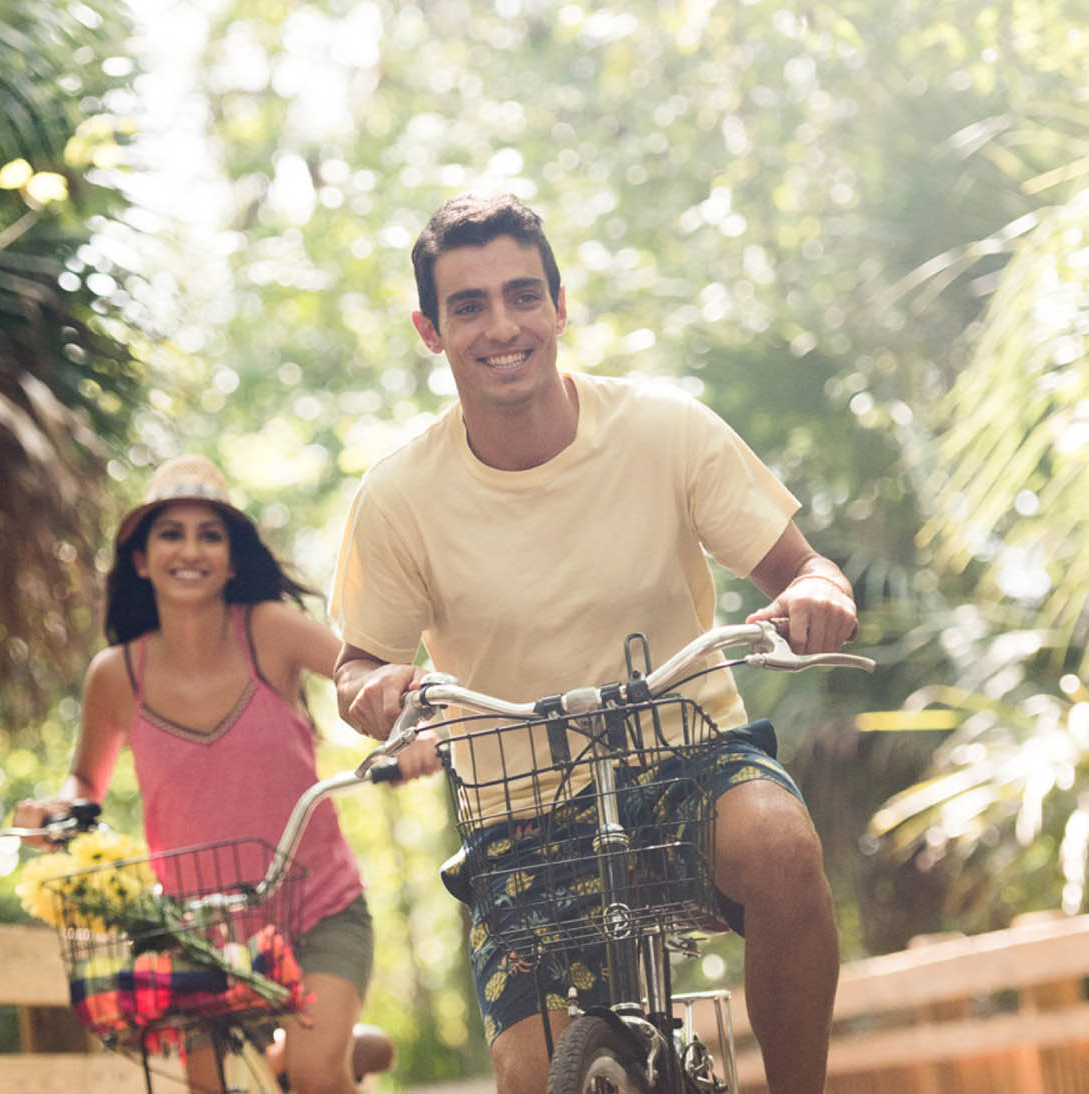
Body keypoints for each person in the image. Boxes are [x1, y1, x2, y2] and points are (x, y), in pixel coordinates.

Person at [329, 193, 858, 1094]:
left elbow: (808, 570)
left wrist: (817, 597)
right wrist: (373, 692)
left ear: (560, 306)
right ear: (431, 330)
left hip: (687, 760)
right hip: (517, 817)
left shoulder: (663, 428)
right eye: (469, 306)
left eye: (524, 295)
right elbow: (356, 668)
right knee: (533, 1077)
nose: (504, 326)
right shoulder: (398, 498)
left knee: (781, 847)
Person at [15, 454, 434, 1094]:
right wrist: (54, 812)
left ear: (233, 559)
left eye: (210, 534)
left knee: (318, 1079)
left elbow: (371, 679)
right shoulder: (115, 675)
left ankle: (325, 1056)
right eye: (170, 533)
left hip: (317, 905)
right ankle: (330, 1052)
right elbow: (84, 785)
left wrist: (410, 735)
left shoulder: (270, 633)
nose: (190, 550)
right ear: (139, 558)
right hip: (200, 932)